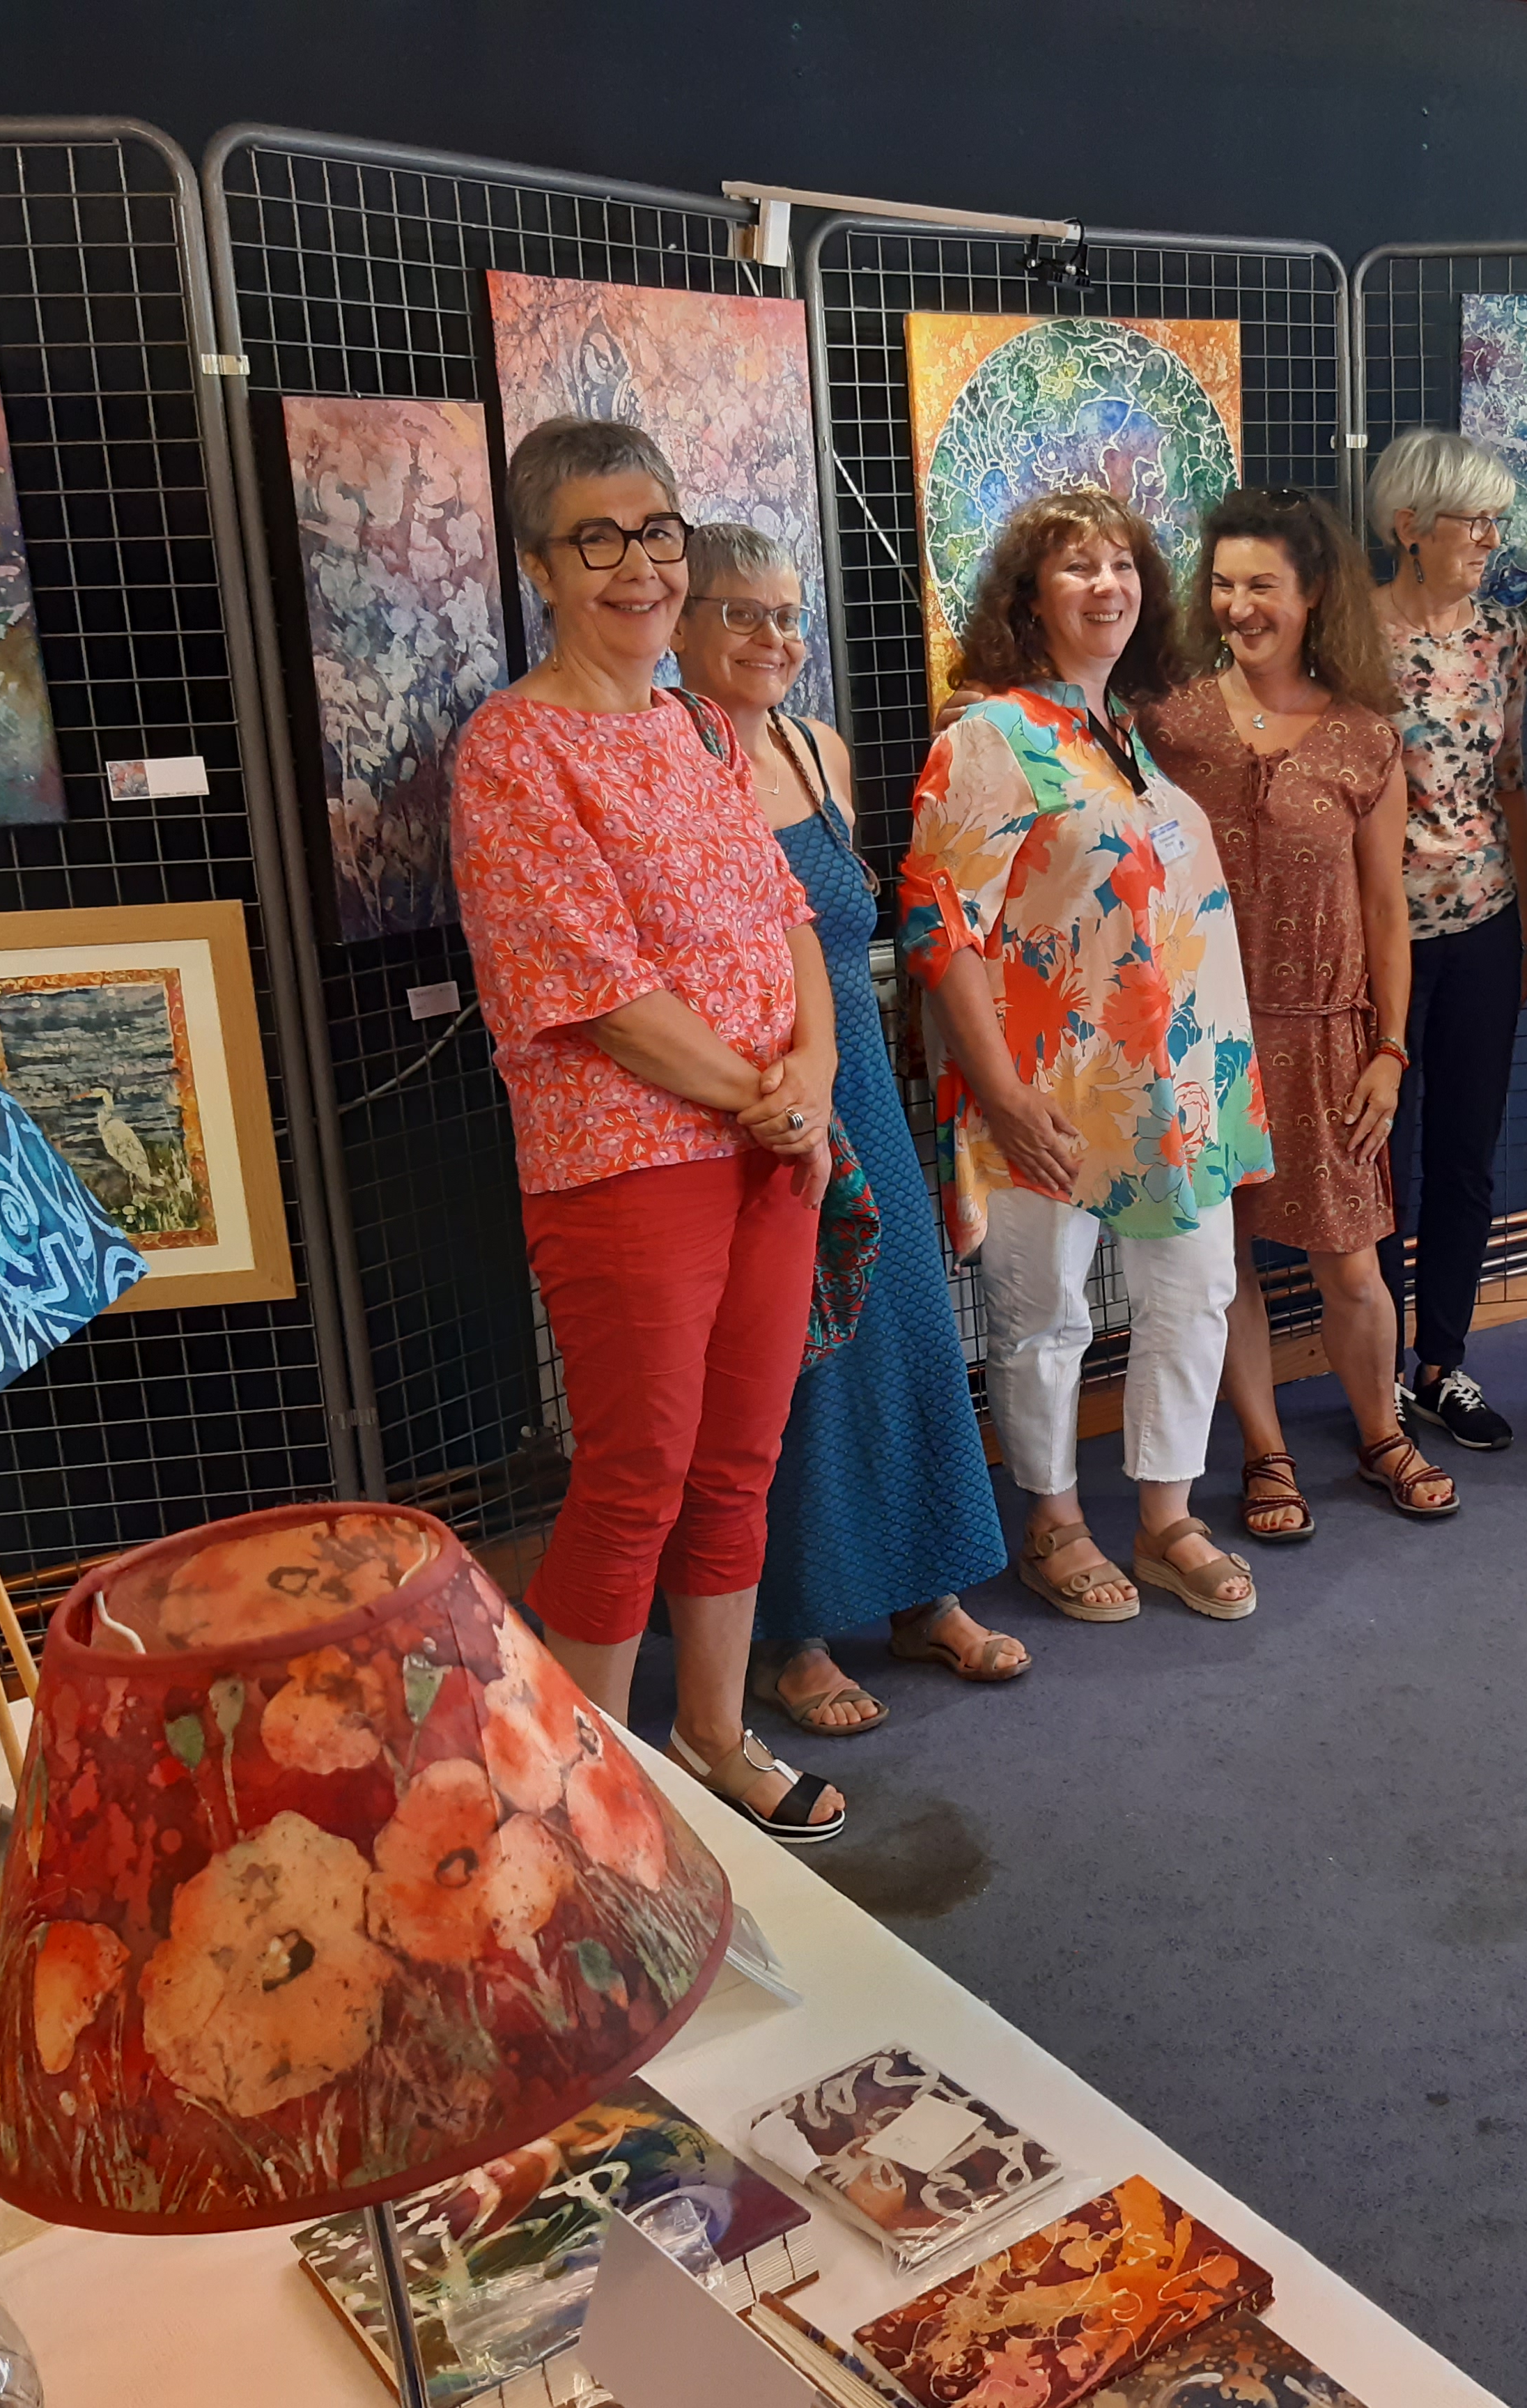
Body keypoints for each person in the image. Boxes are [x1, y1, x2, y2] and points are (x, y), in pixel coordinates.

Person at [449, 417, 845, 1845]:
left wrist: (815, 1072)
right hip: (627, 1166)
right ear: (540, 565)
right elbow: (601, 997)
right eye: (599, 539)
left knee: (739, 1458)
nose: (640, 566)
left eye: (659, 532)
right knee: (637, 1476)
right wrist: (770, 1093)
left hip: (767, 1150)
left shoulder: (697, 726)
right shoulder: (511, 750)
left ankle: (713, 1739)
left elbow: (790, 919)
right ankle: (587, 1806)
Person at [669, 523, 1023, 1742]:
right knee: (791, 1364)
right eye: (743, 614)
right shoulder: (666, 754)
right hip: (748, 1098)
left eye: (788, 615)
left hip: (856, 1072)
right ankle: (795, 1634)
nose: (774, 638)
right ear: (679, 622)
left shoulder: (817, 748)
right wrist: (770, 1091)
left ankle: (929, 1594)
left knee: (908, 1332)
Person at [899, 489, 1273, 1624]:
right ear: (1028, 599)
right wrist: (1002, 1095)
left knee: (1196, 1292)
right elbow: (939, 924)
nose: (1107, 585)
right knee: (1044, 1313)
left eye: (1123, 564)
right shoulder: (988, 736)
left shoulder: (1123, 735)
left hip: (1175, 1086)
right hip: (1044, 1087)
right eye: (1076, 567)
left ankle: (1167, 1516)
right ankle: (1053, 1522)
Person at [1140, 488, 1455, 1540]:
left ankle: (1381, 1432)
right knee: (1222, 1262)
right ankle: (1265, 1452)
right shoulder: (1168, 726)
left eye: (1262, 585)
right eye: (1223, 585)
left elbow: (1387, 910)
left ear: (1313, 591)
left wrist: (1390, 1050)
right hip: (1204, 1040)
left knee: (1353, 1266)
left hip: (1326, 1035)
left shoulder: (1366, 739)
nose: (1239, 607)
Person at [1367, 429, 1527, 1452]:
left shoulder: (1503, 636)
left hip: (1483, 923)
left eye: (1494, 523)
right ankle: (1378, 1369)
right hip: (1380, 934)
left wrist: (1525, 938)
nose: (1488, 540)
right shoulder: (1350, 637)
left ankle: (1443, 1363)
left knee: (1465, 1155)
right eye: (1473, 522)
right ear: (1409, 527)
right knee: (1381, 1160)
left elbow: (1509, 784)